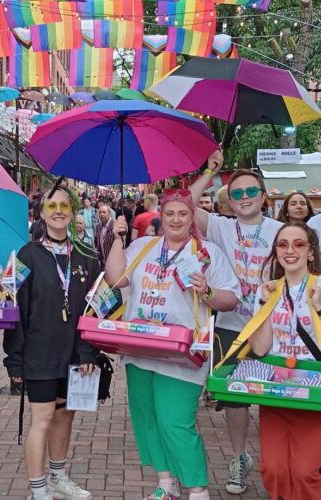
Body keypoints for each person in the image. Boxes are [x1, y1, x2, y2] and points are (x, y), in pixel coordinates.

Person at [105, 189, 241, 500]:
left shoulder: (207, 253)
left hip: (183, 354)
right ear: (161, 217)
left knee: (176, 423)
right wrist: (117, 239)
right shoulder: (142, 247)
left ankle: (197, 489)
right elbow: (115, 279)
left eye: (182, 213)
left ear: (192, 217)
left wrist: (207, 292)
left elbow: (231, 299)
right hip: (139, 349)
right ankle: (166, 484)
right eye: (170, 213)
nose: (176, 219)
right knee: (147, 418)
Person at [190, 155, 283, 494]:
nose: (244, 198)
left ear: (263, 197)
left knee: (275, 395)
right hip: (230, 325)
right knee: (235, 398)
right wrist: (212, 169)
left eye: (250, 192)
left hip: (273, 327)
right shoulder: (220, 226)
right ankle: (240, 457)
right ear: (228, 200)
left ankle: (276, 461)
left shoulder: (279, 231)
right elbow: (185, 204)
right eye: (237, 193)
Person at [4, 186, 100, 500]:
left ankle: (58, 476)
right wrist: (13, 358)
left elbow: (95, 309)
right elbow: (14, 308)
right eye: (51, 206)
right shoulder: (26, 254)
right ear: (42, 214)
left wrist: (89, 350)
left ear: (73, 212)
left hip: (74, 352)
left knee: (65, 414)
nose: (58, 211)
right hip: (39, 351)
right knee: (42, 418)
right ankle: (38, 488)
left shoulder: (87, 256)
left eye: (63, 205)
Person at [248, 222, 321, 499]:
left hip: (314, 393)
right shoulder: (267, 290)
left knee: (305, 472)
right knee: (274, 469)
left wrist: (319, 310)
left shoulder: (320, 287)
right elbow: (260, 347)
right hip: (276, 391)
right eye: (283, 244)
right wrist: (266, 305)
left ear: (311, 252)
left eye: (299, 244)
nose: (290, 250)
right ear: (276, 251)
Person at [95, 204, 115, 270]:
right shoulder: (98, 227)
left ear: (109, 213)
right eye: (100, 212)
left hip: (113, 263)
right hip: (102, 264)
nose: (101, 214)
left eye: (104, 212)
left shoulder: (115, 226)